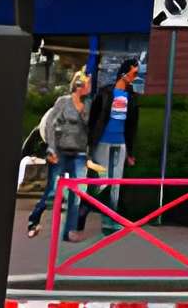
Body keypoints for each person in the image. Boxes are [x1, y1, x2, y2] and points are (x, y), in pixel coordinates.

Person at [26, 70, 91, 241]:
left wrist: (87, 154)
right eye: (87, 83)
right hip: (60, 153)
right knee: (52, 191)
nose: (89, 86)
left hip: (78, 154)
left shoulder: (88, 106)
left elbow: (87, 132)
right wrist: (51, 149)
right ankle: (34, 219)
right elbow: (50, 125)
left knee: (77, 194)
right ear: (79, 85)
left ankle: (69, 232)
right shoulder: (63, 102)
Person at [80, 56, 141, 226]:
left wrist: (130, 152)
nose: (135, 77)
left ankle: (111, 218)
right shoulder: (105, 92)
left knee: (116, 183)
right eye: (134, 73)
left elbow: (132, 126)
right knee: (100, 181)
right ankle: (83, 212)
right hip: (103, 141)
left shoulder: (132, 97)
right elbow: (93, 119)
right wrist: (90, 144)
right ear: (124, 73)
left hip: (121, 143)